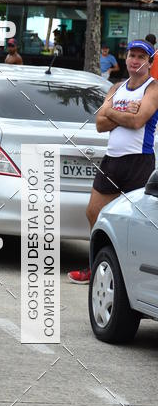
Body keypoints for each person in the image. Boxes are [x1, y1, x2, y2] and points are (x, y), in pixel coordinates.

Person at [68, 40, 158, 284]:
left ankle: (130, 276)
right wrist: (126, 113)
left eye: (141, 56)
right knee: (94, 213)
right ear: (126, 58)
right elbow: (99, 123)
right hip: (112, 161)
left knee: (135, 221)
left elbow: (138, 122)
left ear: (149, 62)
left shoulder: (153, 88)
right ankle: (95, 268)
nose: (135, 60)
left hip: (139, 161)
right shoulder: (116, 87)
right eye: (132, 55)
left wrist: (114, 114)